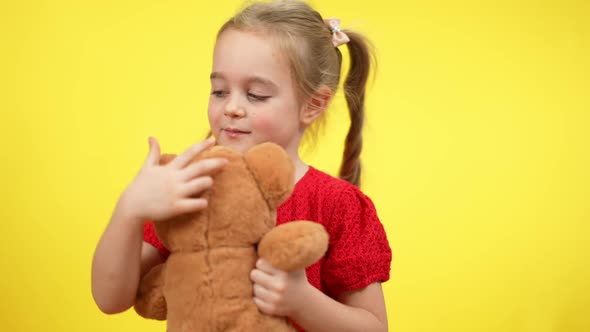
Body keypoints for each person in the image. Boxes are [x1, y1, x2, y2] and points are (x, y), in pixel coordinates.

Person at [91, 1, 392, 331]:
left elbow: (373, 327)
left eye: (256, 95)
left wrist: (301, 301)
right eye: (219, 91)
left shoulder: (337, 205)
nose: (231, 107)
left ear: (312, 105)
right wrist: (130, 209)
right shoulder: (192, 185)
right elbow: (111, 298)